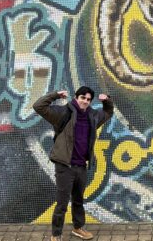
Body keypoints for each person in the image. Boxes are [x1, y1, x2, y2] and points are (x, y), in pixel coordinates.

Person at [33, 86, 114, 241]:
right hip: (65, 166)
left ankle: (78, 228)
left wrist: (107, 102)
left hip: (81, 166)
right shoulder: (63, 113)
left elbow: (108, 113)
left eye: (88, 99)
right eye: (82, 97)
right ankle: (56, 234)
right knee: (62, 203)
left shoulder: (92, 116)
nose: (85, 101)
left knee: (78, 200)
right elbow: (38, 106)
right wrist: (55, 95)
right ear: (76, 97)